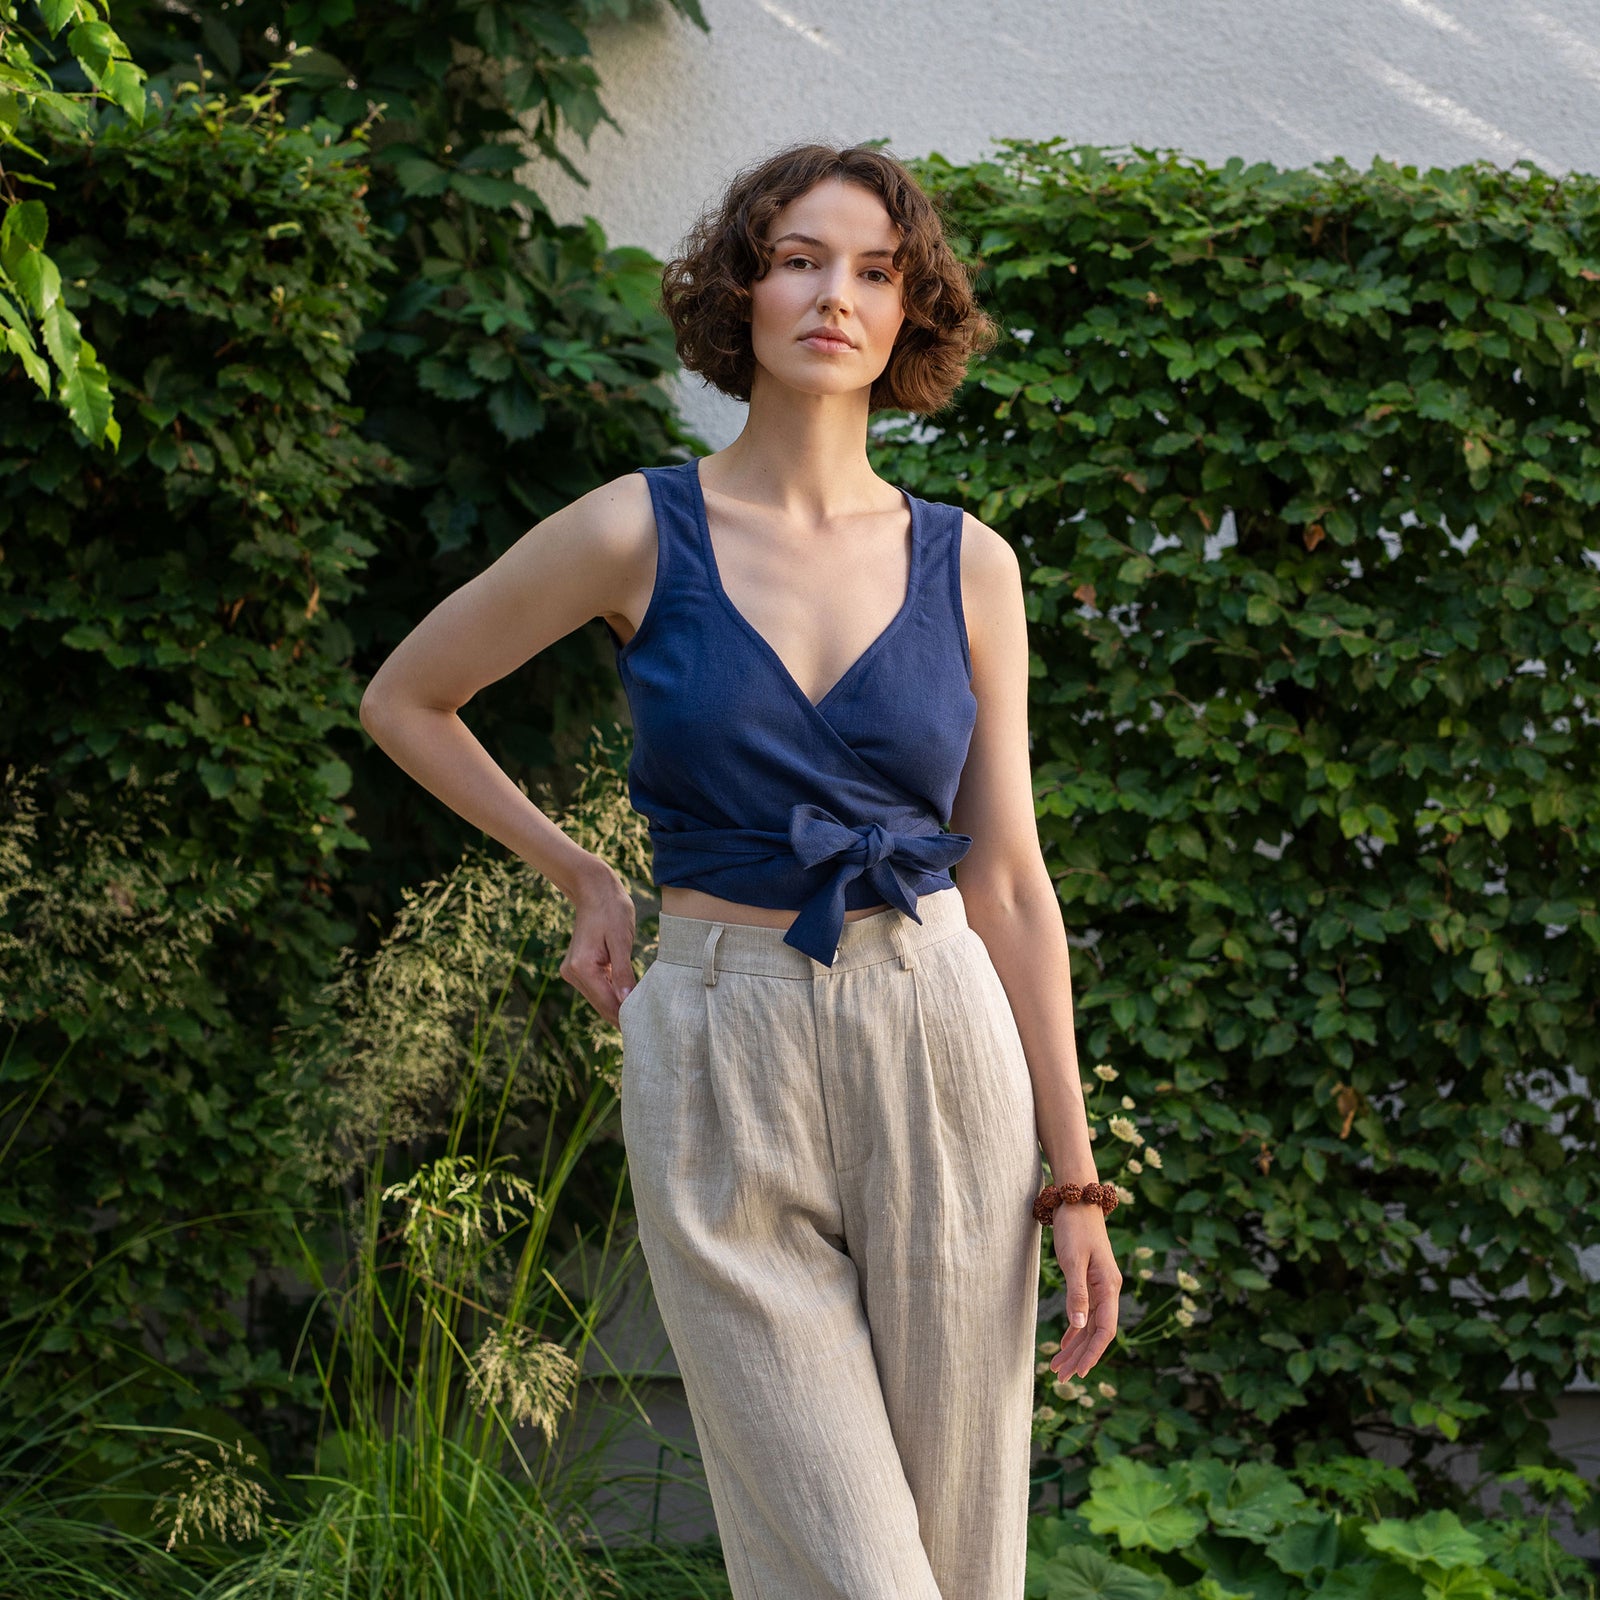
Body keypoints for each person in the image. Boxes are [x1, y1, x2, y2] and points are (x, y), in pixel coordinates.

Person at [359, 140, 1121, 1600]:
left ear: (913, 316)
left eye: (878, 272)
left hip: (940, 1032)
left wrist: (1074, 1181)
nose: (838, 294)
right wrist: (581, 871)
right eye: (800, 258)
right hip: (720, 1041)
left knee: (963, 1564)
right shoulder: (638, 530)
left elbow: (1014, 880)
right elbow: (407, 697)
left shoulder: (972, 564)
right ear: (741, 291)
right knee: (854, 1572)